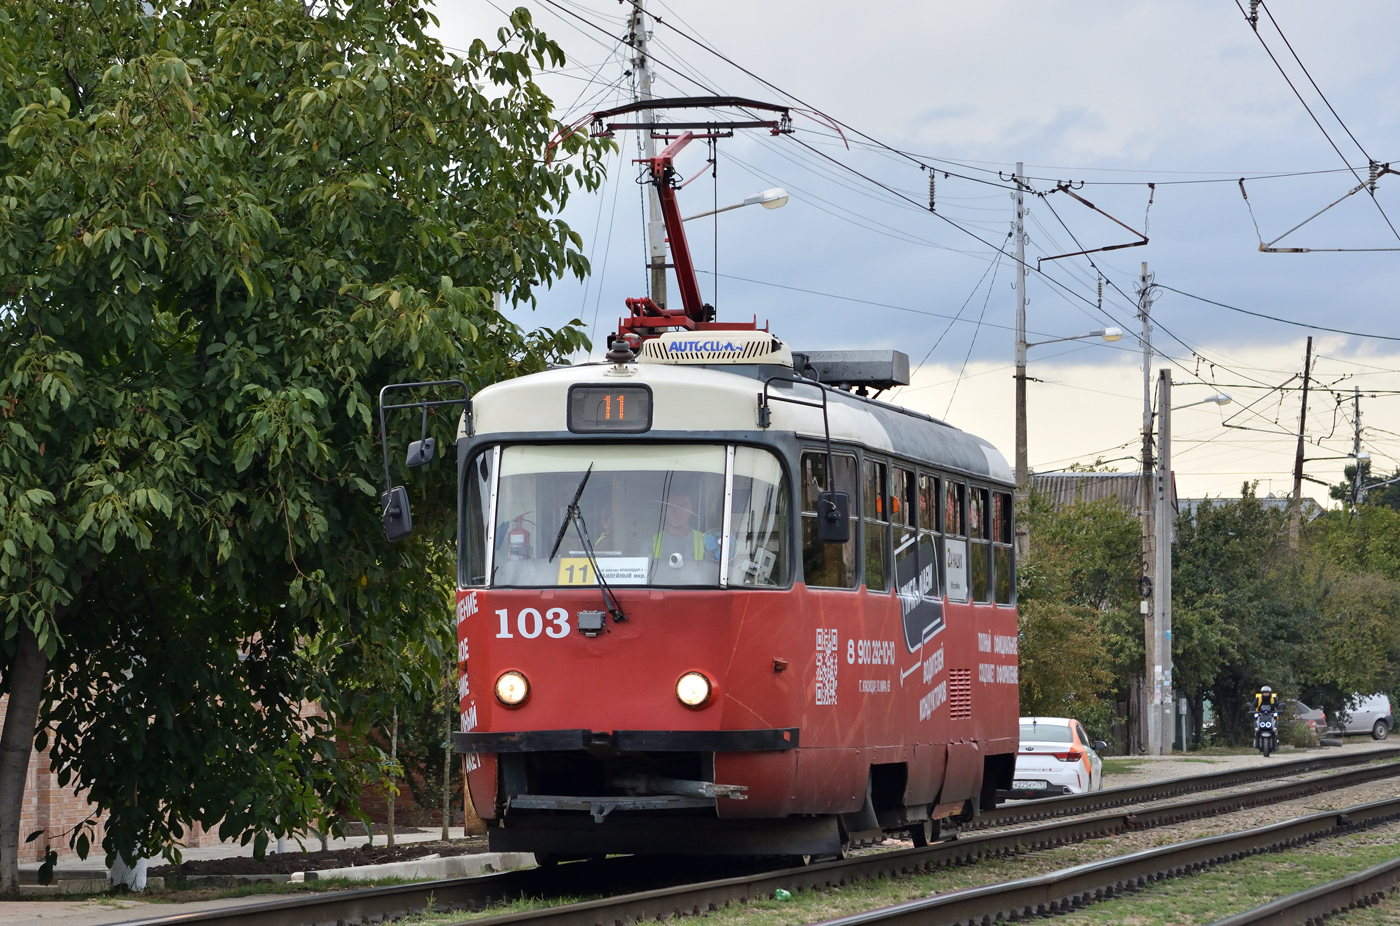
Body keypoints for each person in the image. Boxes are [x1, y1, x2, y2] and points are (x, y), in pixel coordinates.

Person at [652, 489, 707, 563]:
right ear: (664, 510)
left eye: (682, 506)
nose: (676, 513)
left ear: (690, 509)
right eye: (671, 507)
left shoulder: (705, 542)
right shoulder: (650, 543)